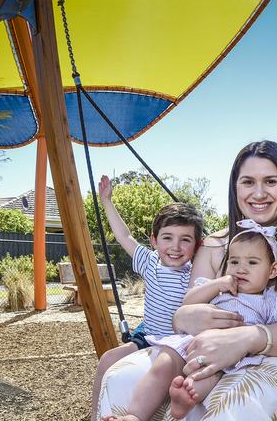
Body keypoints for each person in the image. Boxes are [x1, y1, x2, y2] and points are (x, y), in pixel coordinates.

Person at [97, 141, 277, 420]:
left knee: (234, 403)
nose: (259, 193)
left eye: (271, 181)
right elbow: (182, 315)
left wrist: (244, 339)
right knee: (119, 379)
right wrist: (190, 316)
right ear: (235, 188)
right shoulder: (214, 244)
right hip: (201, 346)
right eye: (248, 182)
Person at [102, 219, 277, 421]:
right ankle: (135, 415)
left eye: (252, 262)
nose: (241, 269)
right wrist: (217, 284)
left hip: (228, 352)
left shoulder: (272, 299)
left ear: (273, 270)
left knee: (208, 375)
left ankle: (185, 399)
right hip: (190, 341)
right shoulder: (218, 289)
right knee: (164, 364)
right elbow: (188, 301)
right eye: (234, 262)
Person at [90, 175, 204, 419]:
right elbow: (124, 236)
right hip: (148, 335)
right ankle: (95, 416)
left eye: (185, 240)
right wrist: (107, 201)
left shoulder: (195, 274)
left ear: (197, 246)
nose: (175, 246)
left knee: (165, 371)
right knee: (107, 359)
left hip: (176, 343)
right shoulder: (149, 261)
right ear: (154, 240)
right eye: (167, 238)